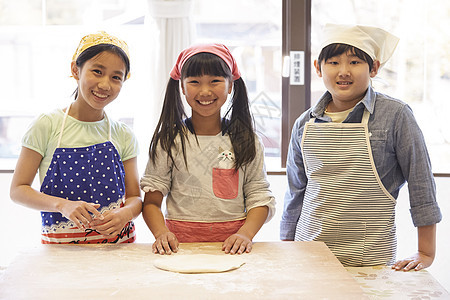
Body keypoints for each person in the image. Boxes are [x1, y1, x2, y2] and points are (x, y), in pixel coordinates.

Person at [280, 24, 442, 270]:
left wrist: (425, 252)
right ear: (318, 67)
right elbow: (296, 191)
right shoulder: (305, 123)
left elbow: (421, 182)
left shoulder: (396, 115)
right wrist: (286, 243)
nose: (343, 71)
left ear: (374, 68)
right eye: (333, 62)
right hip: (309, 253)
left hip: (370, 257)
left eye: (354, 62)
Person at [140, 43, 275, 255]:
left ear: (230, 85)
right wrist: (161, 234)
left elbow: (259, 195)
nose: (205, 91)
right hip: (178, 248)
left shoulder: (246, 140)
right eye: (194, 82)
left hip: (233, 248)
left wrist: (245, 234)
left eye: (215, 81)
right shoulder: (168, 139)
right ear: (182, 87)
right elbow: (151, 203)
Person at [10, 31, 142, 244]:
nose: (105, 85)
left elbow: (135, 197)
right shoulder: (47, 125)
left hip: (118, 249)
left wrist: (124, 214)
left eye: (116, 77)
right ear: (76, 70)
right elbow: (18, 190)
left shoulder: (123, 134)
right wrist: (62, 205)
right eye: (97, 71)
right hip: (61, 252)